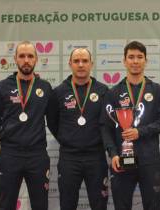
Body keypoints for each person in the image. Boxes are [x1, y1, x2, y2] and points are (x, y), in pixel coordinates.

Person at [101, 41, 160, 210]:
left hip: (149, 159)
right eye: (131, 57)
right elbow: (105, 126)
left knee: (152, 206)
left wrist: (140, 132)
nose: (135, 61)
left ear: (146, 61)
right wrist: (113, 154)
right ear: (124, 61)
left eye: (140, 57)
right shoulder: (113, 93)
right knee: (122, 206)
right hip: (121, 160)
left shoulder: (157, 91)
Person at [0, 41, 52, 210]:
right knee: (6, 205)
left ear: (36, 59)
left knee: (40, 205)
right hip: (10, 155)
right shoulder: (2, 87)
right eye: (22, 56)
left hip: (37, 156)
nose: (26, 60)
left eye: (30, 56)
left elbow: (55, 120)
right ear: (15, 59)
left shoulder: (45, 87)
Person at [47, 48, 109, 210]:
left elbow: (108, 123)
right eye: (76, 61)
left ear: (91, 64)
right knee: (67, 205)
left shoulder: (103, 91)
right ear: (70, 64)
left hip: (96, 157)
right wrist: (67, 138)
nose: (80, 65)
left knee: (99, 205)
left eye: (84, 61)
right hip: (69, 158)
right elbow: (53, 122)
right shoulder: (58, 92)